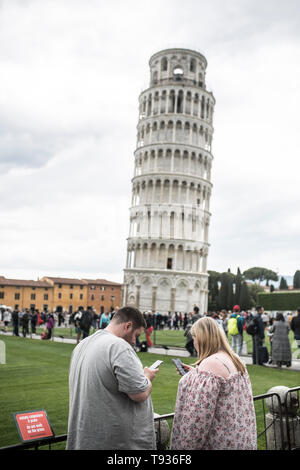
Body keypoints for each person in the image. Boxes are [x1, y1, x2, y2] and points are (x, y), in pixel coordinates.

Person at [66, 306, 159, 450]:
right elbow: (139, 394)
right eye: (136, 334)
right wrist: (147, 376)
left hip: (87, 437)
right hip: (114, 442)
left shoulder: (83, 344)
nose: (135, 341)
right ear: (128, 326)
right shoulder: (119, 346)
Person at [171, 316, 257, 450]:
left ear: (200, 338)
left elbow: (196, 423)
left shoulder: (210, 364)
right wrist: (195, 375)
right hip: (239, 440)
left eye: (194, 338)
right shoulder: (235, 359)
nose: (193, 342)